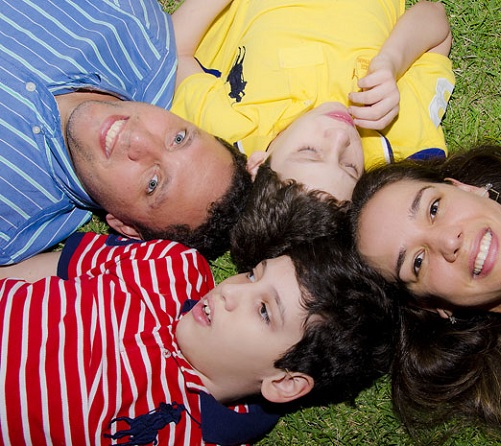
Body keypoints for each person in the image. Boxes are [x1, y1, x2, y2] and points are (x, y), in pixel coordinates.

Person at [0, 226, 395, 444]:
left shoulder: (191, 435)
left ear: (285, 382)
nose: (231, 290)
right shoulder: (173, 266)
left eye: (263, 311)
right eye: (254, 273)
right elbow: (60, 267)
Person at [349, 136, 501, 445]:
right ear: (433, 306)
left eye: (434, 208)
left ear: (465, 188)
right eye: (418, 262)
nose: (448, 241)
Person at [0, 0, 251, 266]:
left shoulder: (11, 221)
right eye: (178, 139)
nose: (138, 140)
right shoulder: (133, 26)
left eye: (152, 184)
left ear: (124, 226)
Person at [172, 0, 455, 201]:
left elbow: (177, 52)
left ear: (258, 166)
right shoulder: (388, 133)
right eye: (350, 166)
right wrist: (392, 61)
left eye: (310, 152)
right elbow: (435, 17)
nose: (339, 138)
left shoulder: (232, 131)